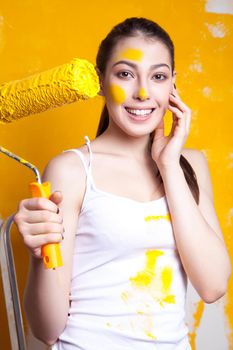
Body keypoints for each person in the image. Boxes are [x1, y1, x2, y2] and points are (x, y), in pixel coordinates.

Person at [14, 17, 231, 349]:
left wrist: (169, 164)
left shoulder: (190, 166)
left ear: (173, 84)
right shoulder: (70, 171)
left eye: (157, 76)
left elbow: (213, 286)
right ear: (101, 81)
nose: (143, 93)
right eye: (125, 74)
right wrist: (37, 253)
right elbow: (46, 329)